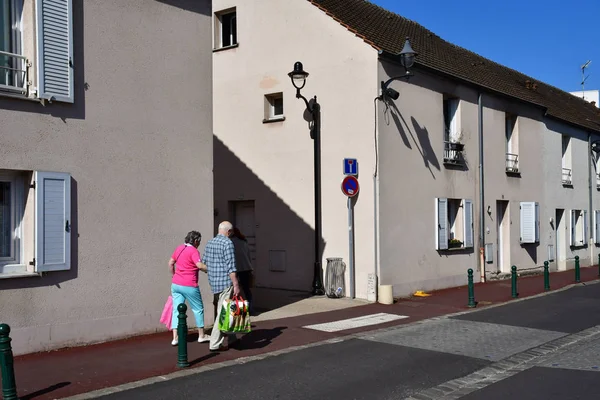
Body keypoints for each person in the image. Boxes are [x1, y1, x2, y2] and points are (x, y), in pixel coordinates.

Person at [202, 221, 240, 351]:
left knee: (222, 310)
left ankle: (232, 338)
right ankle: (214, 344)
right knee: (223, 314)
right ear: (228, 232)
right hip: (225, 282)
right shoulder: (227, 243)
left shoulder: (210, 242)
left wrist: (213, 270)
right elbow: (231, 267)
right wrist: (236, 284)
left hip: (214, 282)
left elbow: (204, 264)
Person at [168, 230, 210, 346]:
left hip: (176, 284)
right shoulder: (194, 251)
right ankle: (201, 335)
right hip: (189, 284)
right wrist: (210, 269)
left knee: (177, 310)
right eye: (199, 241)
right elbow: (199, 265)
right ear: (196, 241)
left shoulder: (179, 248)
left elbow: (171, 263)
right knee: (198, 309)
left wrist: (174, 275)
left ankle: (175, 338)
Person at [231, 227, 254, 315]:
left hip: (236, 268)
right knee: (247, 290)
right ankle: (250, 309)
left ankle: (236, 310)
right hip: (246, 268)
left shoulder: (230, 242)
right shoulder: (244, 241)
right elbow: (248, 255)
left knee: (235, 289)